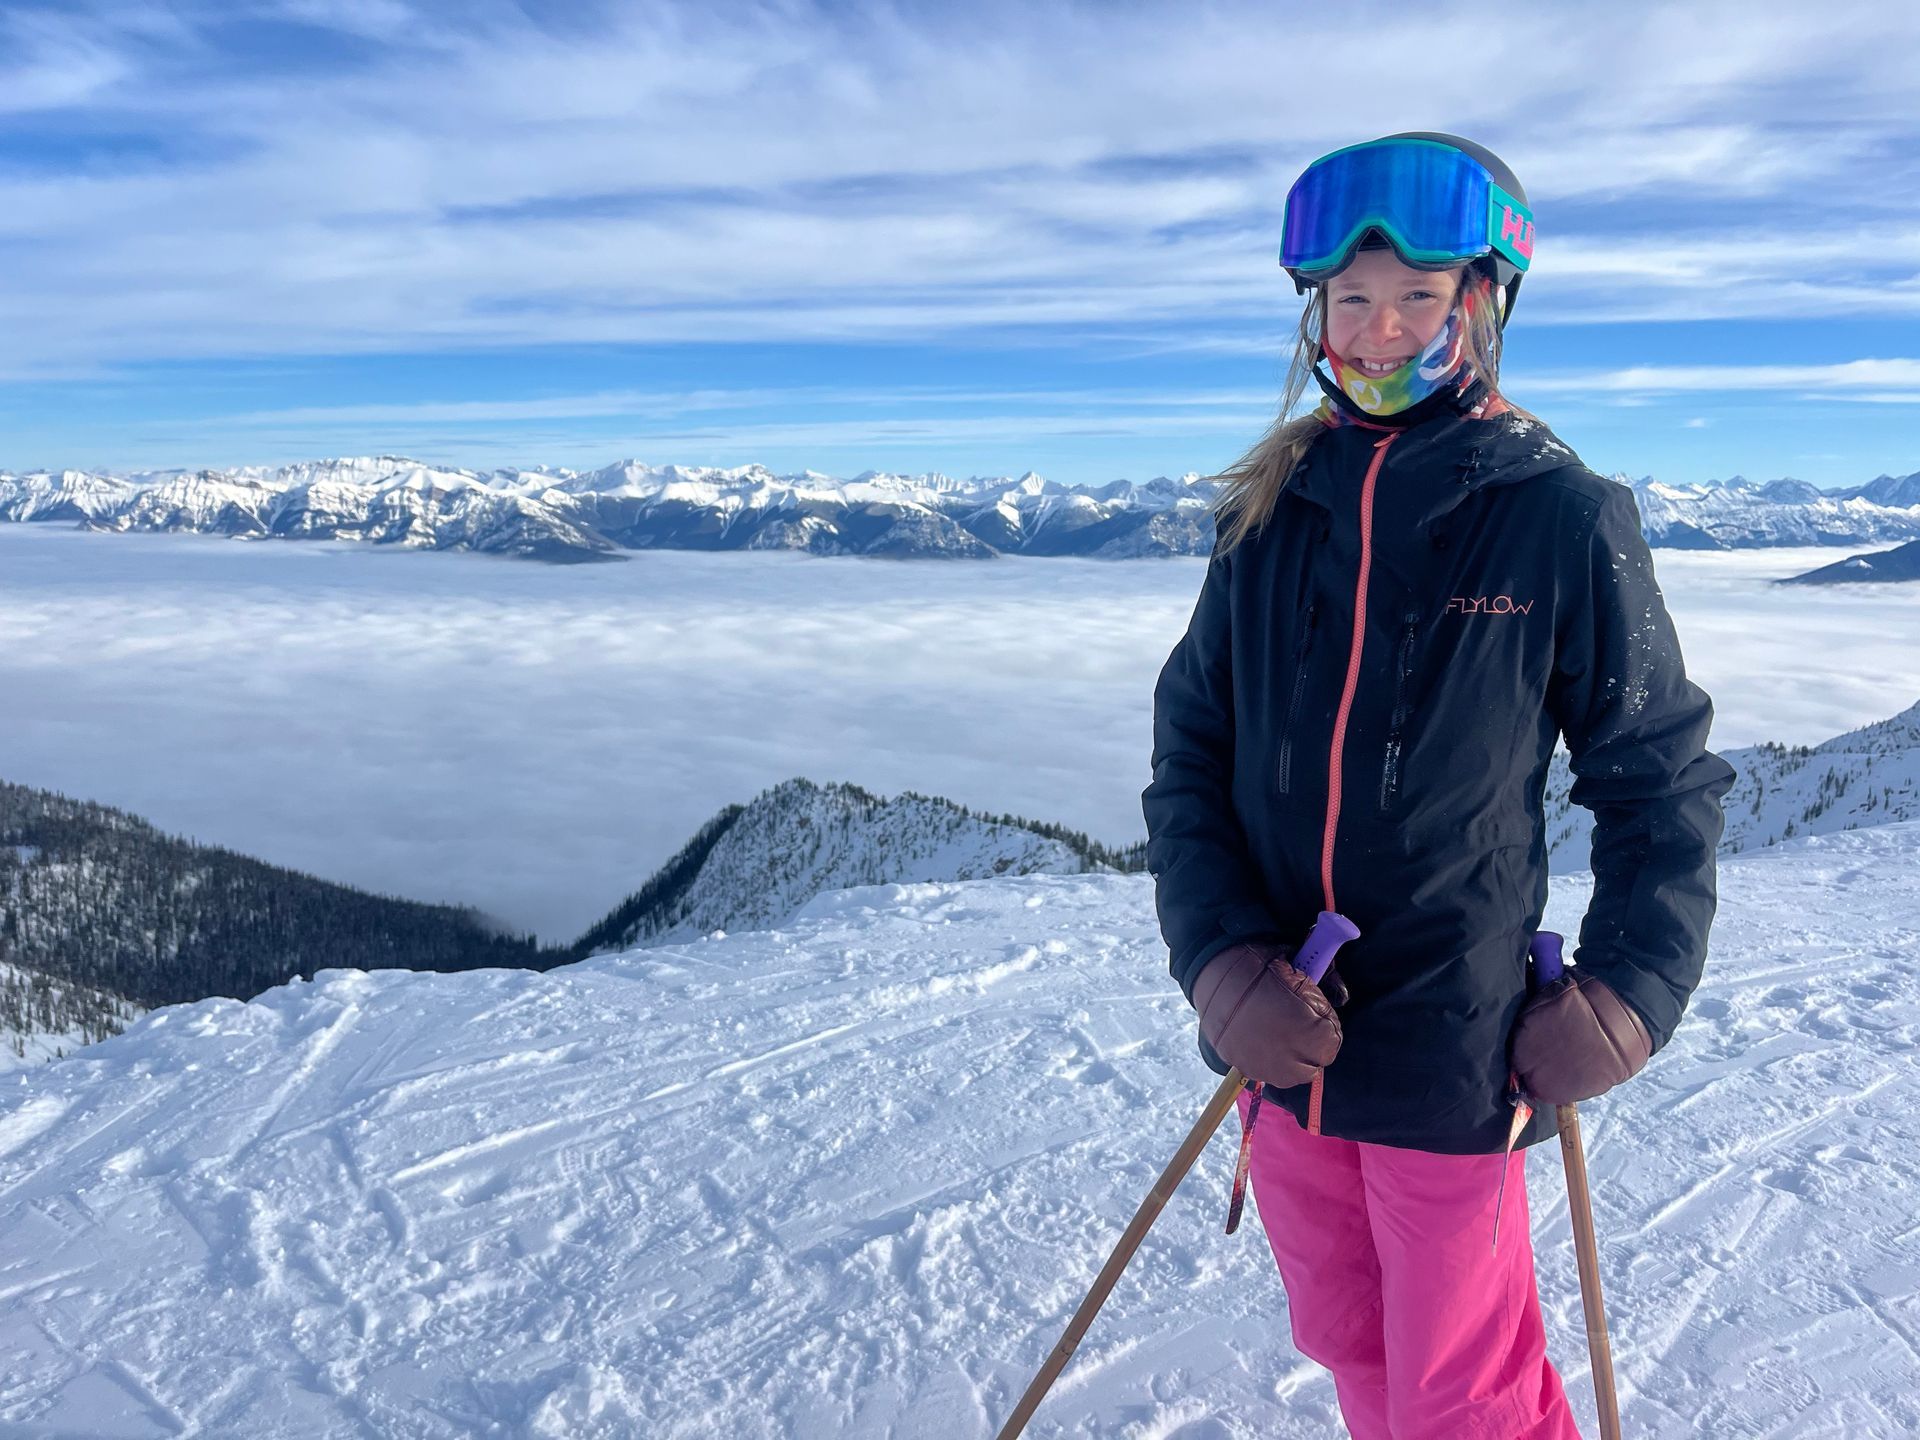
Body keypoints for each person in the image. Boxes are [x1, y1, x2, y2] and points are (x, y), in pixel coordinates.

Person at [1140, 133, 1736, 1439]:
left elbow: (1660, 780)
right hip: (1283, 1037)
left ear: (1485, 306)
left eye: (1419, 296)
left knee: (1460, 1390)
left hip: (1458, 1053)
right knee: (1350, 1337)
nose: (1378, 325)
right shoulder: (1271, 509)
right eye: (1351, 299)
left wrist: (1632, 989)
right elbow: (1189, 750)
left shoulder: (1558, 514)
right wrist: (1221, 963)